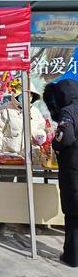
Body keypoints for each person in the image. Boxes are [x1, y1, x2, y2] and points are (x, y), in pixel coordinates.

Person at [43, 80, 78, 267]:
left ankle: (72, 256)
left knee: (72, 214)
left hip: (73, 169)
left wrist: (55, 144)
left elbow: (66, 138)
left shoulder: (68, 112)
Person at [0, 84, 47, 156]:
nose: (27, 97)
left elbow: (41, 128)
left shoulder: (36, 112)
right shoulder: (5, 109)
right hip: (8, 155)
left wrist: (40, 136)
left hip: (31, 155)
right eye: (23, 94)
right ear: (18, 95)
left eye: (30, 95)